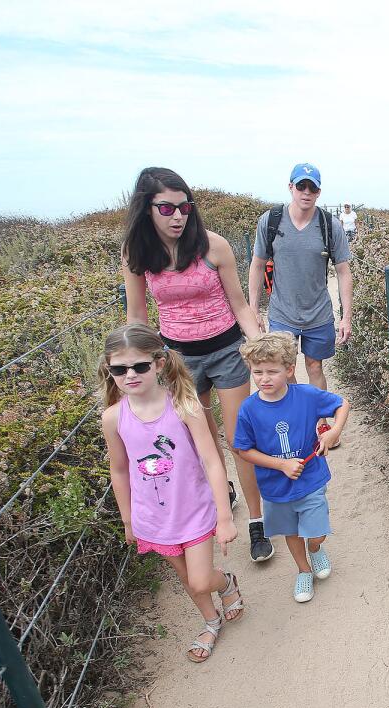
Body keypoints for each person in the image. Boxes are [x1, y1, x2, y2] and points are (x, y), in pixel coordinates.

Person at [121, 167, 271, 563]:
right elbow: (138, 318)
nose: (177, 216)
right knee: (198, 439)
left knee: (240, 438)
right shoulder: (138, 256)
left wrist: (259, 348)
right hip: (178, 360)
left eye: (184, 206)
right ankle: (224, 499)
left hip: (226, 350)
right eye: (166, 207)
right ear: (146, 209)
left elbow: (239, 304)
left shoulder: (214, 246)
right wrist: (137, 368)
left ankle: (257, 521)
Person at [100, 323, 244, 663]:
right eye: (119, 369)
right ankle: (210, 621)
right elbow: (119, 470)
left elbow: (211, 460)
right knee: (185, 578)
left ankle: (224, 583)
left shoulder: (184, 405)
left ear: (159, 363)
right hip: (152, 517)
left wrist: (224, 516)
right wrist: (128, 519)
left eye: (139, 366)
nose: (130, 374)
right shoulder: (113, 418)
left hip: (193, 509)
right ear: (110, 370)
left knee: (198, 580)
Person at [232, 332, 349, 603]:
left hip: (310, 478)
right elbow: (243, 449)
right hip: (275, 487)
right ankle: (303, 570)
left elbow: (342, 404)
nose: (264, 378)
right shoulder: (248, 409)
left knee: (317, 532)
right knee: (291, 532)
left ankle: (316, 549)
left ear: (288, 369)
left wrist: (333, 432)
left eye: (272, 371)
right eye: (257, 371)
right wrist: (280, 464)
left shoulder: (306, 395)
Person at [247, 163, 354, 398]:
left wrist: (346, 317)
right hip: (282, 312)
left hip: (318, 312)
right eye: (301, 186)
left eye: (312, 188)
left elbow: (344, 271)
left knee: (315, 366)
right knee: (285, 370)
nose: (306, 192)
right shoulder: (270, 220)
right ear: (291, 187)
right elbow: (256, 265)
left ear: (319, 192)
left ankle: (320, 420)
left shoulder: (330, 225)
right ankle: (299, 416)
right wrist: (253, 310)